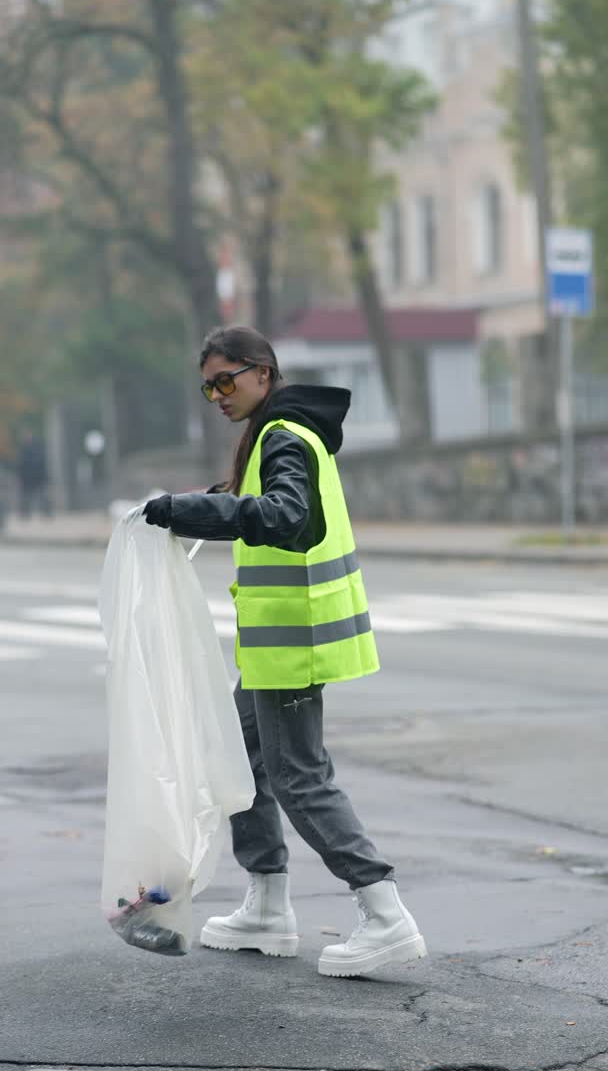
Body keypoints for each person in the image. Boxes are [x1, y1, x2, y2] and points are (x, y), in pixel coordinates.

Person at [143, 325, 427, 978]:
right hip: (277, 647)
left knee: (299, 776)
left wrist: (189, 512)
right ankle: (267, 903)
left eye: (226, 379)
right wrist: (203, 505)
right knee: (240, 756)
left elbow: (283, 514)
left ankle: (385, 915)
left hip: (292, 644)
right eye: (207, 385)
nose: (217, 394)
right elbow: (258, 504)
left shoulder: (283, 437)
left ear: (263, 373)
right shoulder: (279, 434)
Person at [15, 430, 50, 518]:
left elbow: (41, 462)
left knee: (41, 496)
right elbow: (20, 464)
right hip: (27, 478)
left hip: (37, 477)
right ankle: (25, 514)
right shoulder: (23, 448)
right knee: (26, 497)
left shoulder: (36, 447)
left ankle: (45, 513)